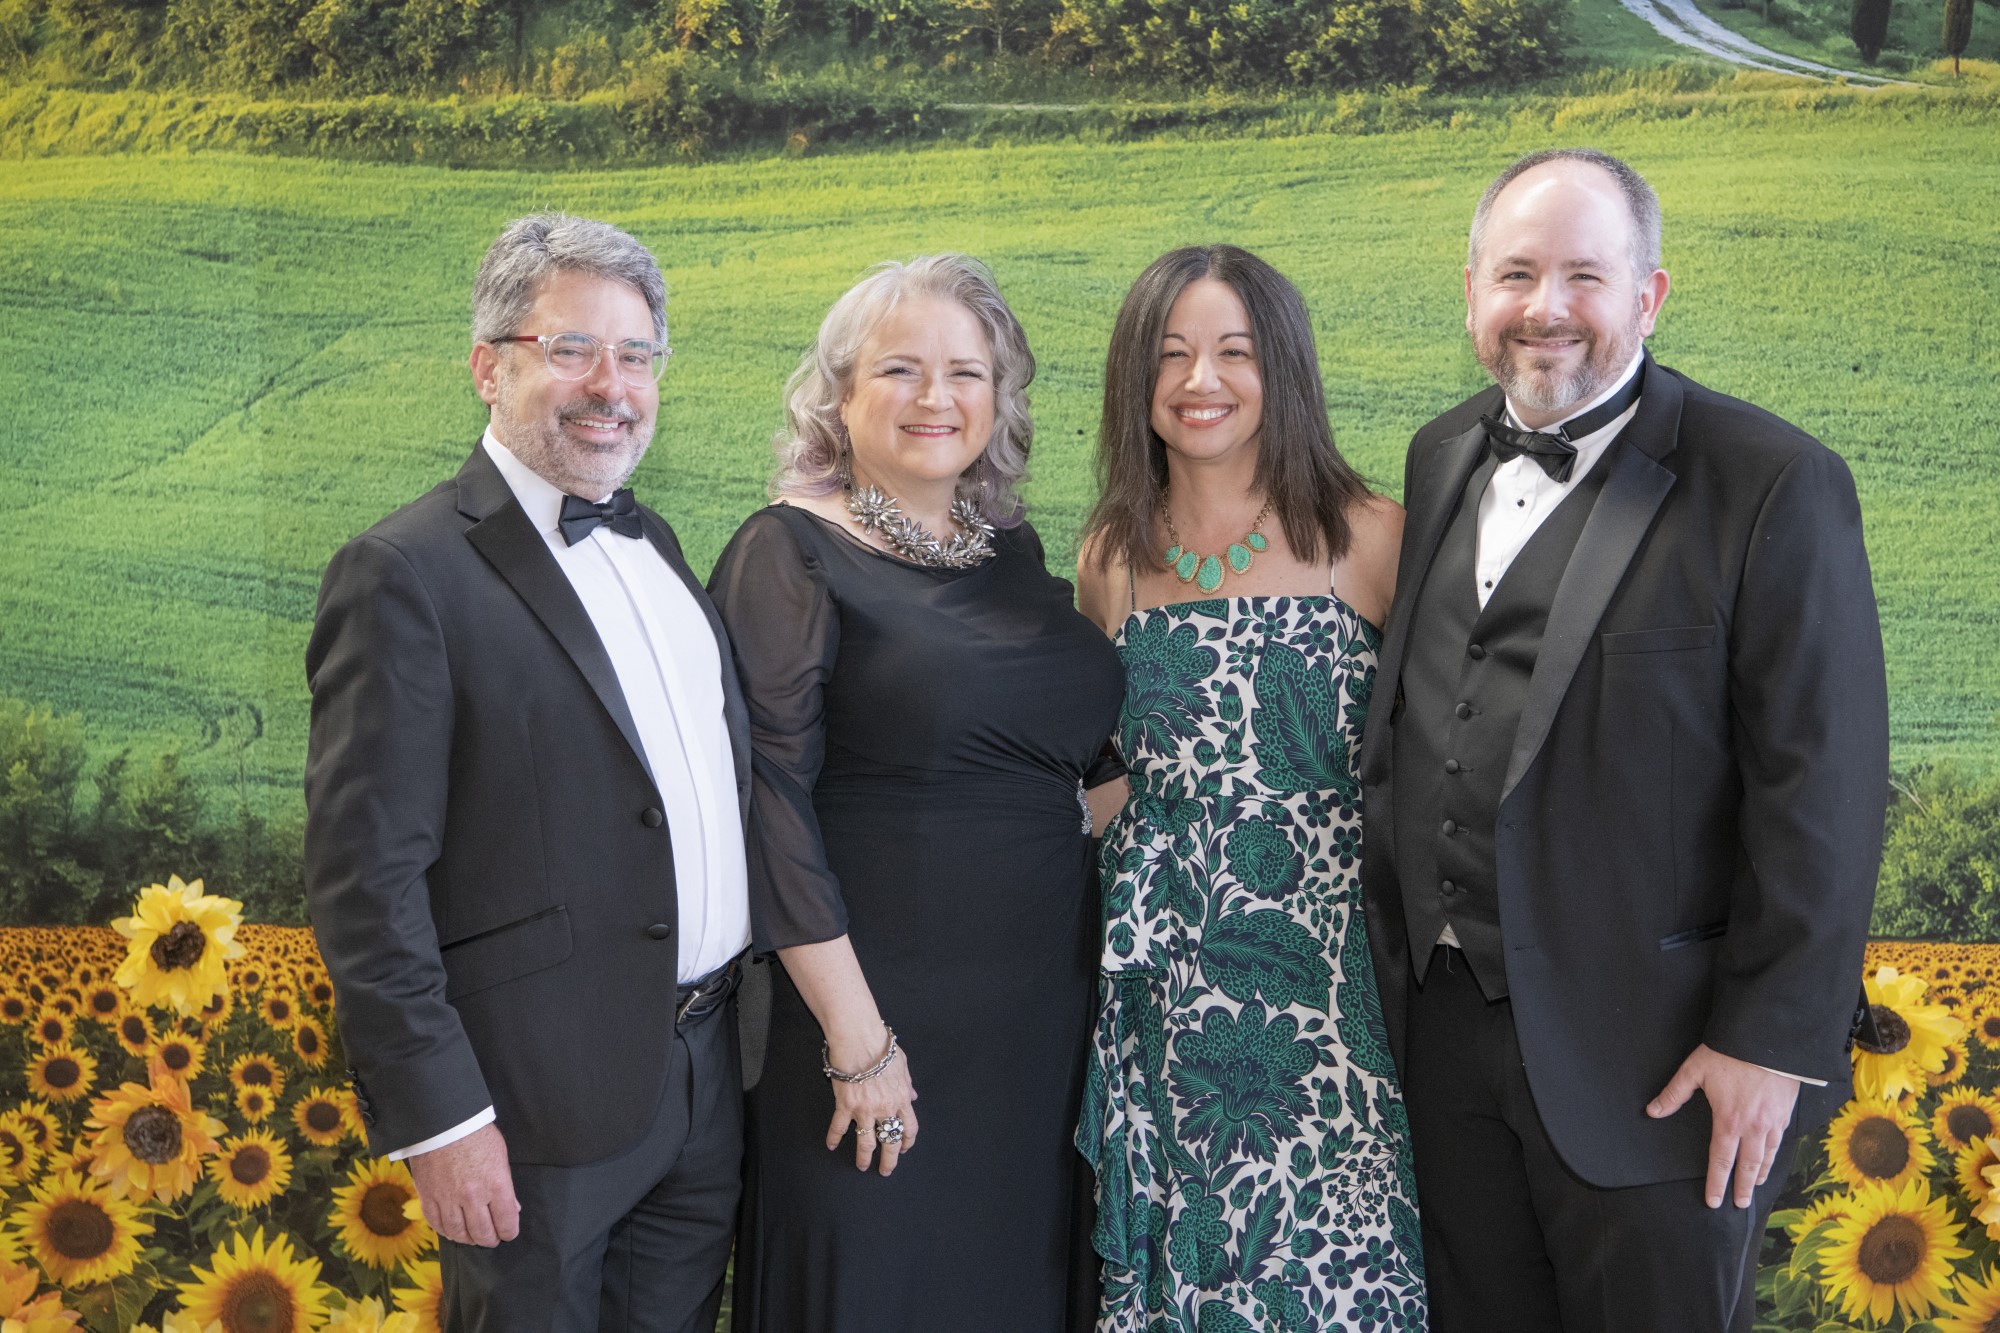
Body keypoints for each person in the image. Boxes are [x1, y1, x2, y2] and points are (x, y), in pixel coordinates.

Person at [1358, 148, 1888, 1331]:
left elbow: (1823, 785)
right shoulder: (1438, 455)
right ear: (1470, 293)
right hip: (1447, 1046)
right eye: (1515, 274)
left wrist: (1765, 1042)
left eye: (1583, 276)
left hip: (1663, 1069)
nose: (1543, 307)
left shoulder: (1771, 480)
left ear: (1647, 297)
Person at [304, 213, 751, 1331]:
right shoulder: (402, 572)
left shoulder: (661, 550)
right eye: (572, 348)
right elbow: (365, 882)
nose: (611, 385)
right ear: (488, 367)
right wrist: (443, 1120)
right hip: (528, 1111)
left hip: (703, 1083)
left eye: (636, 354)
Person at [706, 254, 1126, 1332]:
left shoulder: (1014, 556)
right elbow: (766, 804)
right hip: (868, 1034)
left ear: (999, 397)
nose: (936, 397)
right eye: (900, 369)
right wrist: (860, 1045)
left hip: (1035, 1036)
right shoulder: (787, 551)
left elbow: (1071, 770)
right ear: (839, 395)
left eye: (966, 372)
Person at [1072, 245, 1422, 1333]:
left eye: (1234, 351)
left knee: (1336, 1277)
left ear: (1284, 368)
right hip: (1169, 995)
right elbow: (1106, 769)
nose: (1200, 380)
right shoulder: (1109, 557)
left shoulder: (1370, 537)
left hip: (1336, 997)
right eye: (1169, 354)